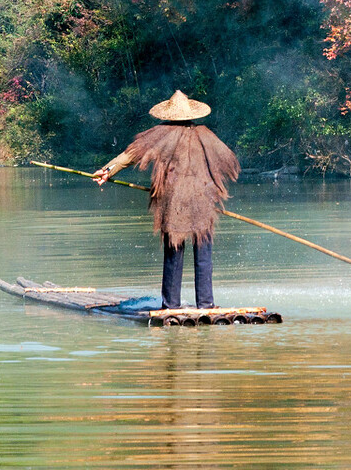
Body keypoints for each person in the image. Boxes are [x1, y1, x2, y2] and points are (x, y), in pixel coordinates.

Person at [92, 91, 240, 309]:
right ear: (191, 113)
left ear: (169, 114)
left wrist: (106, 171)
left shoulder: (159, 134)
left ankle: (171, 305)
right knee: (203, 250)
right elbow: (228, 159)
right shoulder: (206, 134)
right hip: (203, 197)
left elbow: (129, 156)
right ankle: (206, 304)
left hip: (174, 200)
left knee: (174, 248)